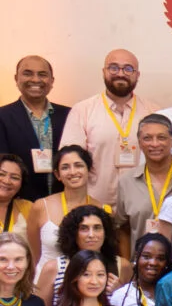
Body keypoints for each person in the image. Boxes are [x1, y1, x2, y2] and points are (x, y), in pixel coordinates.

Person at [60, 48, 161, 206]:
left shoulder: (154, 112)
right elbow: (70, 159)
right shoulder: (82, 111)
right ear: (104, 72)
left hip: (142, 204)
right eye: (114, 68)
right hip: (95, 204)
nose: (120, 74)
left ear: (137, 75)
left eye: (128, 69)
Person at [109, 113, 172, 256]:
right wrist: (128, 263)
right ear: (139, 142)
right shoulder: (127, 181)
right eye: (147, 138)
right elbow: (122, 228)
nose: (154, 144)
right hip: (143, 264)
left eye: (161, 137)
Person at [0, 54, 69, 201]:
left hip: (62, 201)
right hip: (19, 202)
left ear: (52, 81)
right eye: (28, 73)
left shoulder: (69, 115)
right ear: (16, 79)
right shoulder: (2, 117)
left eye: (42, 74)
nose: (36, 80)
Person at [35, 204, 129, 303]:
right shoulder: (53, 268)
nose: (91, 235)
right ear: (73, 233)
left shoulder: (122, 266)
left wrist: (120, 292)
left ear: (106, 233)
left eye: (97, 228)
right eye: (84, 228)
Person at [25, 144, 100, 268]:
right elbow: (34, 255)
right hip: (46, 276)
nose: (73, 172)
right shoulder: (41, 206)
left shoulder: (102, 209)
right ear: (57, 174)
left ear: (89, 169)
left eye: (78, 165)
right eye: (65, 167)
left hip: (86, 277)